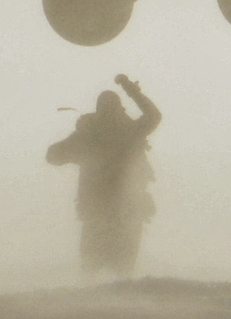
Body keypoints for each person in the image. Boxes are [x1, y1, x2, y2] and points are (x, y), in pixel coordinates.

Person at [47, 75, 163, 276]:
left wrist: (81, 140)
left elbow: (53, 156)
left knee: (95, 270)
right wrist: (131, 90)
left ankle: (98, 304)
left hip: (110, 211)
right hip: (119, 211)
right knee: (116, 270)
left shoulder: (91, 136)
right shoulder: (129, 131)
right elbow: (154, 116)